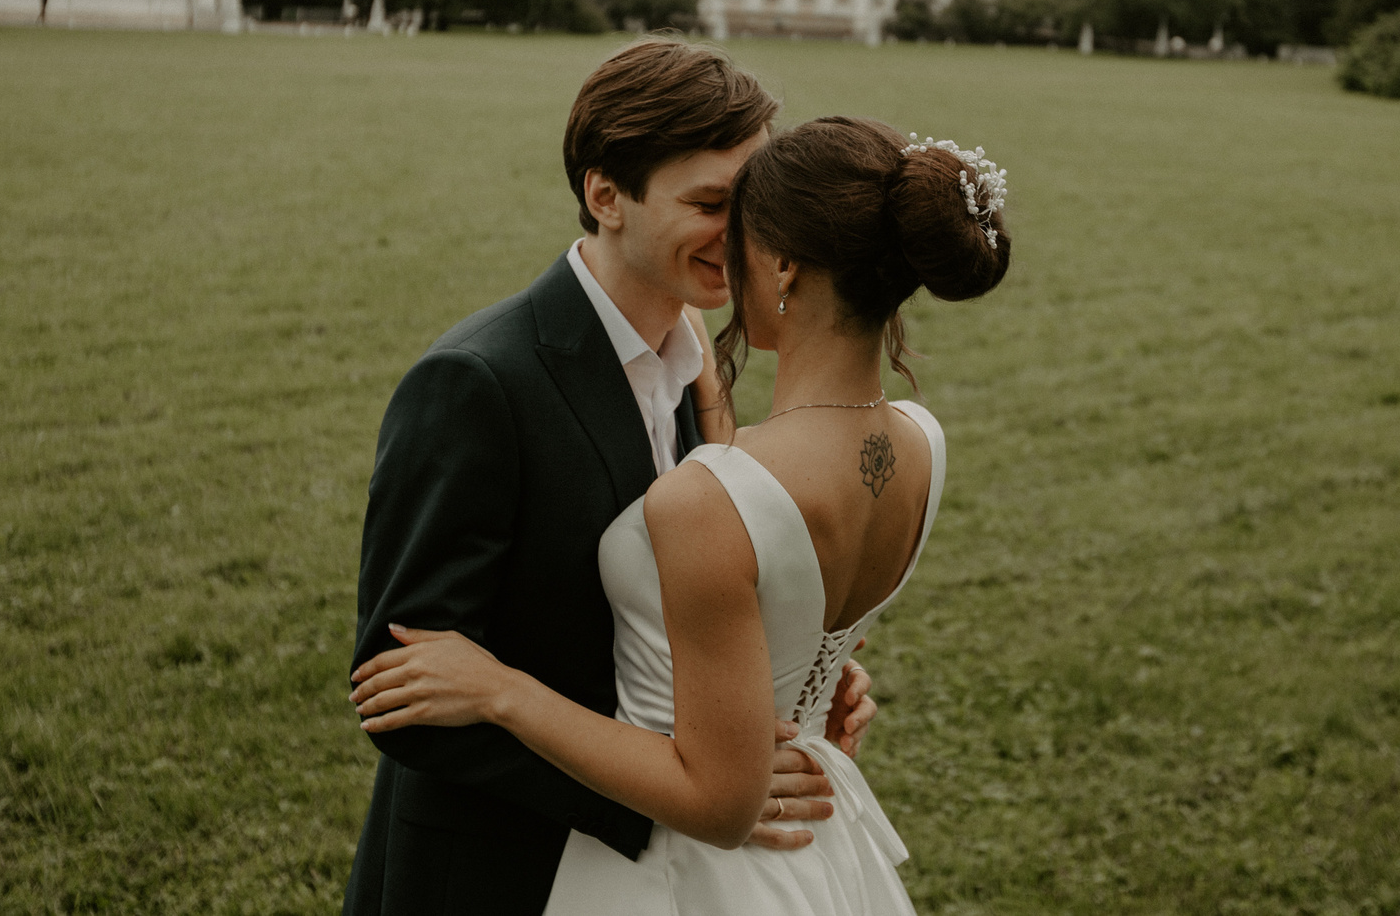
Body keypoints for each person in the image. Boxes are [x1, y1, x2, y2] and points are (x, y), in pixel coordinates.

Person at [350, 116, 1011, 915]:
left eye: (745, 219)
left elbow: (719, 783)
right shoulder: (921, 440)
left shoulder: (716, 489)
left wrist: (501, 690)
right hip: (794, 861)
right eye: (710, 203)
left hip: (695, 865)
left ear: (787, 263)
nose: (728, 241)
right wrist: (802, 675)